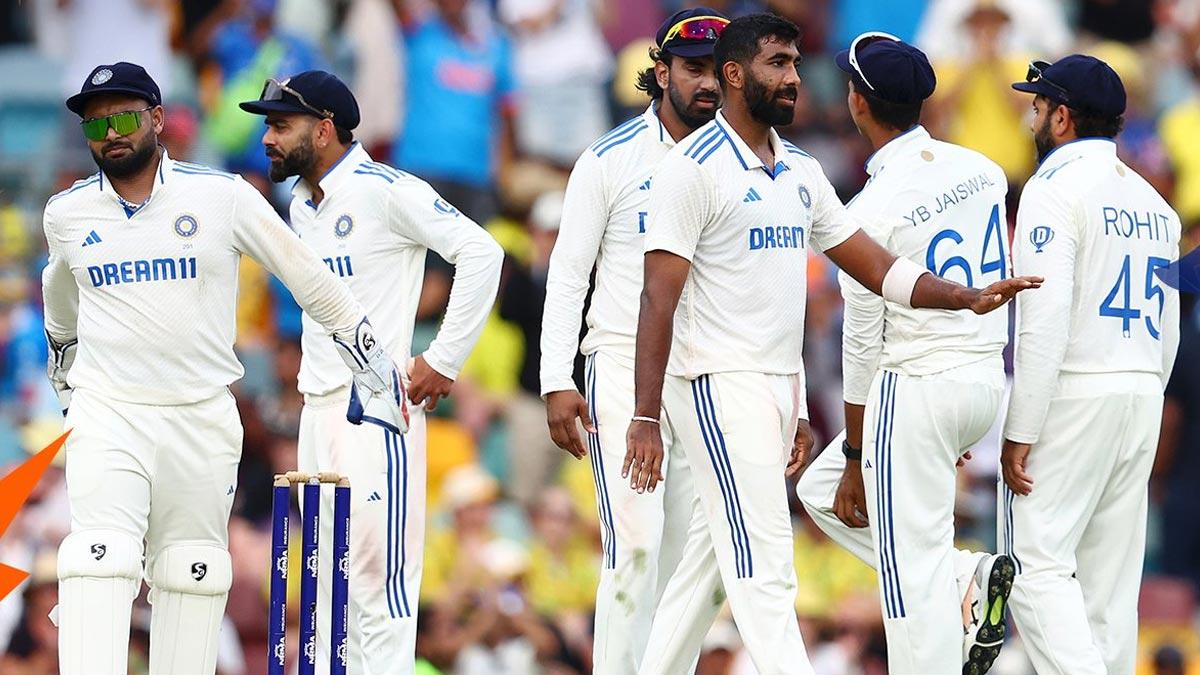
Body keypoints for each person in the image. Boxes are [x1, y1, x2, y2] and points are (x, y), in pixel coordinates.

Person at [624, 15, 1039, 675]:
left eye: (793, 63)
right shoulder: (689, 171)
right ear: (734, 75)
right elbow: (656, 298)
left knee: (707, 566)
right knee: (765, 568)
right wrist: (645, 416)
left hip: (772, 385)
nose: (794, 78)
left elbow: (875, 266)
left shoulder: (801, 170)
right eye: (777, 64)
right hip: (712, 384)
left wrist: (956, 296)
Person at [42, 62, 407, 675]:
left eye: (126, 117)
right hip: (111, 412)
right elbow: (60, 299)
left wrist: (371, 360)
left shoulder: (222, 197)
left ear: (158, 120)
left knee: (192, 571)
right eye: (96, 124)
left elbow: (309, 279)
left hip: (202, 413)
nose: (111, 133)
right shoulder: (67, 214)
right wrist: (67, 376)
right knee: (97, 561)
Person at [240, 70, 503, 675]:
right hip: (317, 411)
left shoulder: (386, 190)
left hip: (375, 410)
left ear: (325, 129)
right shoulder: (302, 205)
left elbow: (482, 252)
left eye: (281, 126)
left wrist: (443, 358)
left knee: (377, 590)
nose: (268, 140)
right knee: (326, 592)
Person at [795, 32, 1015, 675]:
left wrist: (861, 453)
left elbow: (862, 345)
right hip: (981, 386)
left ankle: (955, 583)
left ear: (858, 104)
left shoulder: (864, 211)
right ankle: (966, 575)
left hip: (915, 388)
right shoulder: (984, 171)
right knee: (820, 490)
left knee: (907, 585)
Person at [539, 9, 728, 673]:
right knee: (638, 547)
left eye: (716, 70)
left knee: (689, 565)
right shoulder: (609, 158)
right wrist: (556, 380)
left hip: (704, 374)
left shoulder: (742, 163)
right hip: (619, 363)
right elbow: (567, 274)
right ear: (660, 71)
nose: (707, 84)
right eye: (693, 69)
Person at [1001, 54, 1182, 675]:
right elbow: (1172, 330)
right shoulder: (1158, 206)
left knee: (1032, 566)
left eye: (1037, 106)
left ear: (1063, 117)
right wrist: (1147, 396)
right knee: (1109, 583)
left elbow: (1043, 321)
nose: (1031, 117)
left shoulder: (1053, 188)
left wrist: (1019, 430)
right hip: (1141, 387)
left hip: (1078, 386)